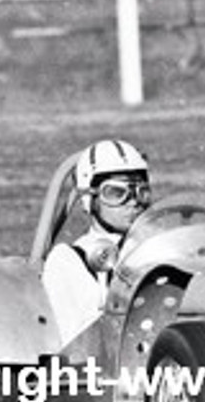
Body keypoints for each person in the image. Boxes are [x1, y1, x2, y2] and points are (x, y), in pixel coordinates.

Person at [42, 140, 153, 345]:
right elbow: (75, 343)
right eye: (116, 193)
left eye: (141, 191)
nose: (133, 201)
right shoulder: (68, 261)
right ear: (89, 199)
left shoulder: (159, 247)